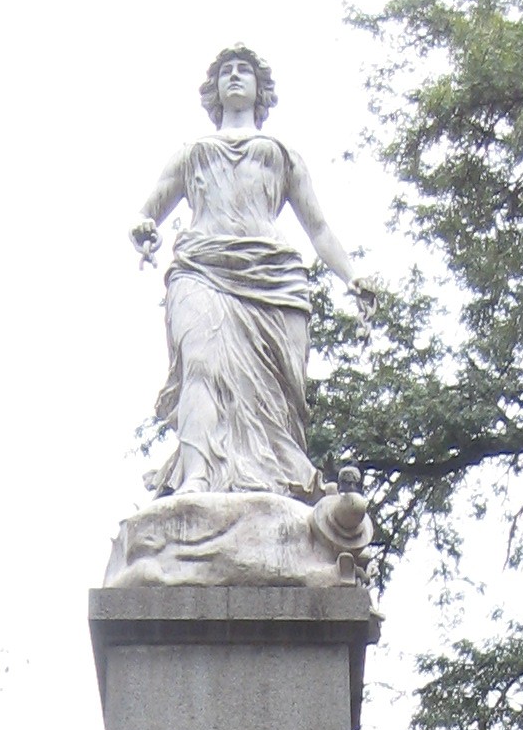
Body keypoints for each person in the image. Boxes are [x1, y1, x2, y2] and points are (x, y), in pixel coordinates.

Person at [131, 47, 369, 497]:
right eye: (226, 72)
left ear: (261, 90)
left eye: (244, 71)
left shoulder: (281, 154)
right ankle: (197, 475)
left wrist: (351, 277)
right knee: (200, 362)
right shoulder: (193, 154)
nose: (235, 76)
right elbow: (148, 211)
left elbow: (318, 228)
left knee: (277, 393)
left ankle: (273, 479)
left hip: (272, 277)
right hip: (201, 267)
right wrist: (143, 229)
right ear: (214, 90)